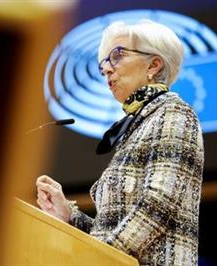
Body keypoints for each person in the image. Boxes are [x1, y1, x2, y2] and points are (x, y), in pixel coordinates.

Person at [36, 20, 204, 266]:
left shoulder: (174, 113)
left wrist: (95, 258)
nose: (106, 69)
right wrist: (69, 215)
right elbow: (115, 228)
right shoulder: (138, 125)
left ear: (154, 64)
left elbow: (157, 207)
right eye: (104, 62)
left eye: (117, 56)